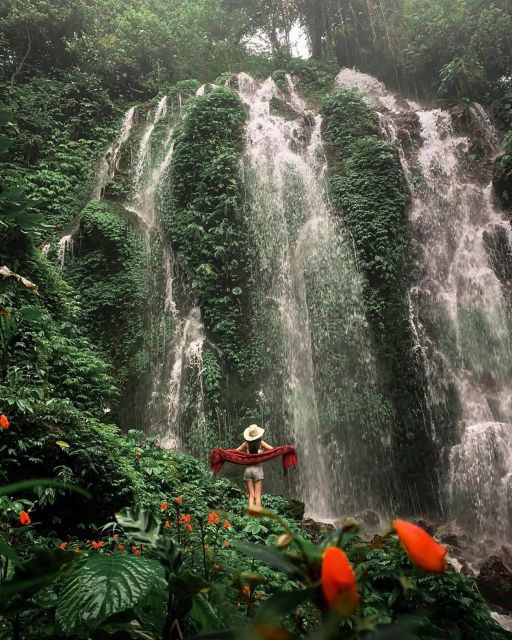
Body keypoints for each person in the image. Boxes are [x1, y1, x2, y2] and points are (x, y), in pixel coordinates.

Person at [236, 424, 273, 511]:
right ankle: (258, 517)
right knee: (258, 496)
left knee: (251, 496)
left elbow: (235, 451)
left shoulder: (246, 444)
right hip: (258, 470)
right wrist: (263, 455)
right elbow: (272, 449)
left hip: (248, 470)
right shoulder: (261, 443)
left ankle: (250, 516)